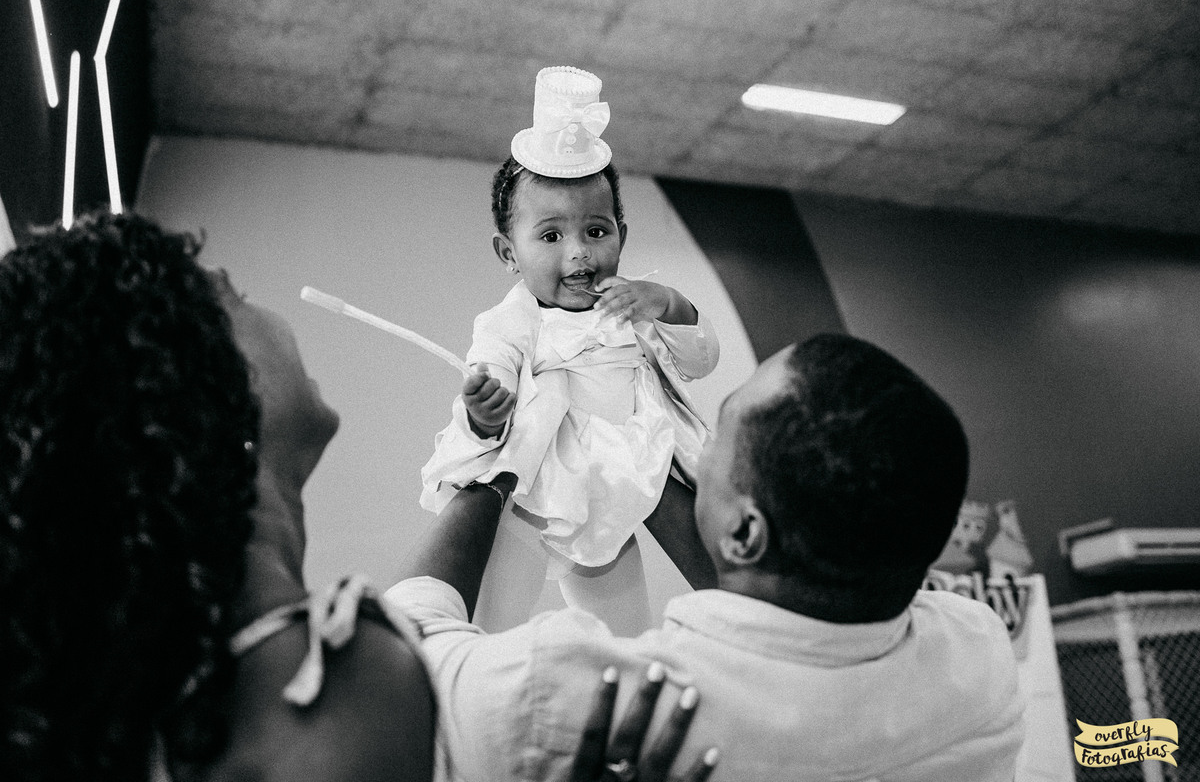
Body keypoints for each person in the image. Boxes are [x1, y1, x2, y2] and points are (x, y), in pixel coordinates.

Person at [0, 211, 712, 782]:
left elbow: (422, 612)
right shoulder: (329, 698)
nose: (265, 311)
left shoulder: (219, 670)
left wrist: (506, 458)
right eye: (233, 295)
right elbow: (423, 649)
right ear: (196, 382)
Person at [389, 333, 1027, 781]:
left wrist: (497, 463)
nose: (693, 443)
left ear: (747, 533)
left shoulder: (590, 701)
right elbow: (790, 603)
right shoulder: (978, 656)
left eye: (718, 429)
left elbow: (405, 654)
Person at [421, 66, 719, 637]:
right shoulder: (513, 320)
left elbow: (701, 362)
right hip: (533, 508)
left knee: (627, 639)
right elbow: (493, 369)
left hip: (625, 493)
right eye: (551, 236)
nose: (579, 255)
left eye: (596, 231)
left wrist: (669, 302)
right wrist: (485, 412)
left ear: (622, 236)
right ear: (509, 253)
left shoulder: (636, 305)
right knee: (490, 634)